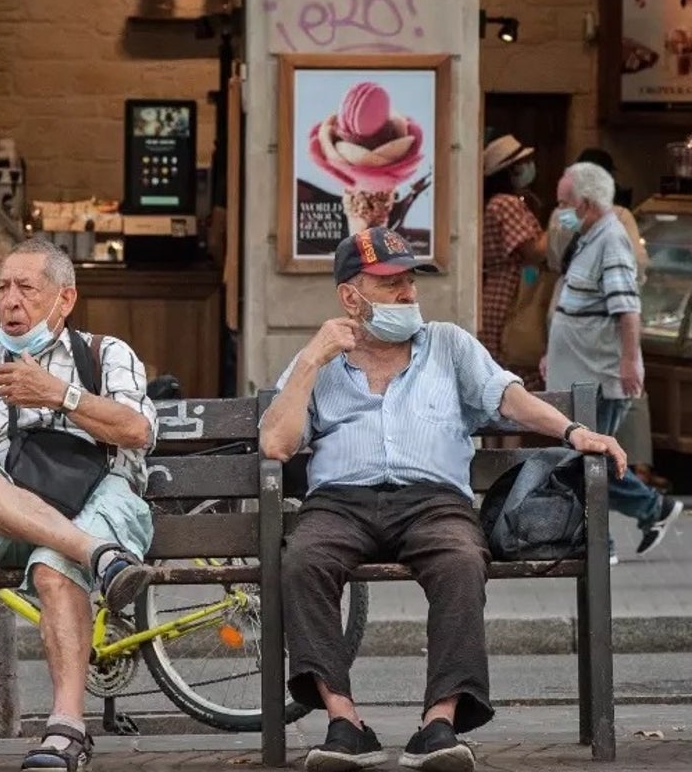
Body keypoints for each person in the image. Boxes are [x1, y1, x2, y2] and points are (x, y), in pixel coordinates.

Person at [259, 226, 627, 772]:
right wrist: (312, 361)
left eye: (410, 281)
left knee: (460, 560)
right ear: (350, 297)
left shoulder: (448, 345)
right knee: (302, 561)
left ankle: (439, 723)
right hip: (339, 502)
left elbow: (510, 398)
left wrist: (574, 432)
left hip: (434, 501)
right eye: (391, 284)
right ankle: (345, 723)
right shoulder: (318, 362)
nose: (409, 294)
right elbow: (275, 443)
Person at [0, 237, 157, 772]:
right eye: (3, 287)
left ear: (64, 299)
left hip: (101, 494)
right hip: (10, 512)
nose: (10, 300)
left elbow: (137, 429)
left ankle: (66, 732)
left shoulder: (105, 353)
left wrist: (58, 394)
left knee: (53, 568)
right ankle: (99, 554)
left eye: (27, 287)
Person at [542, 162, 683, 565]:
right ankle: (649, 511)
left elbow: (627, 309)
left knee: (587, 464)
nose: (560, 211)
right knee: (585, 462)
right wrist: (553, 350)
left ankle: (608, 540)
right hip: (580, 375)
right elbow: (575, 305)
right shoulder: (587, 237)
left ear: (585, 205)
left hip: (600, 378)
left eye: (564, 204)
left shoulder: (612, 241)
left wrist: (630, 361)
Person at [480, 134, 548, 388]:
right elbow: (532, 251)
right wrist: (560, 223)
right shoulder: (506, 203)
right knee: (513, 359)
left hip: (498, 289)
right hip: (511, 291)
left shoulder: (496, 202)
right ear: (513, 170)